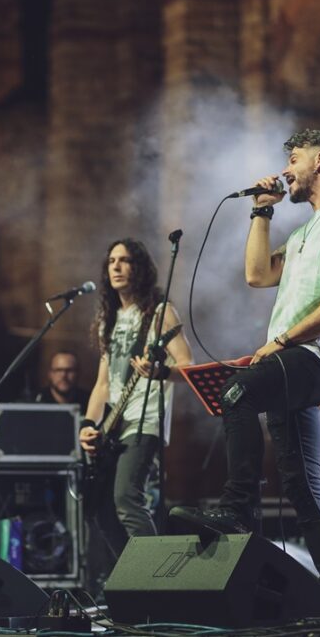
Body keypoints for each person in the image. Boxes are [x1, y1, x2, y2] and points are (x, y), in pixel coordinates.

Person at [172, 129, 320, 627]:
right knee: (304, 484)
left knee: (236, 390)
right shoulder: (305, 231)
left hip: (317, 356)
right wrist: (262, 210)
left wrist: (282, 343)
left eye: (293, 159)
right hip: (295, 360)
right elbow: (257, 275)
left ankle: (238, 508)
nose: (286, 168)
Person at [79, 238, 194, 560]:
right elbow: (103, 384)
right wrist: (89, 424)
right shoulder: (109, 320)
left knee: (127, 498)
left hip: (146, 418)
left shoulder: (159, 313)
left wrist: (159, 372)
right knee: (100, 510)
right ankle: (130, 578)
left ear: (139, 268)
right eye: (112, 260)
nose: (116, 266)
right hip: (113, 424)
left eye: (125, 260)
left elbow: (188, 366)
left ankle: (155, 582)